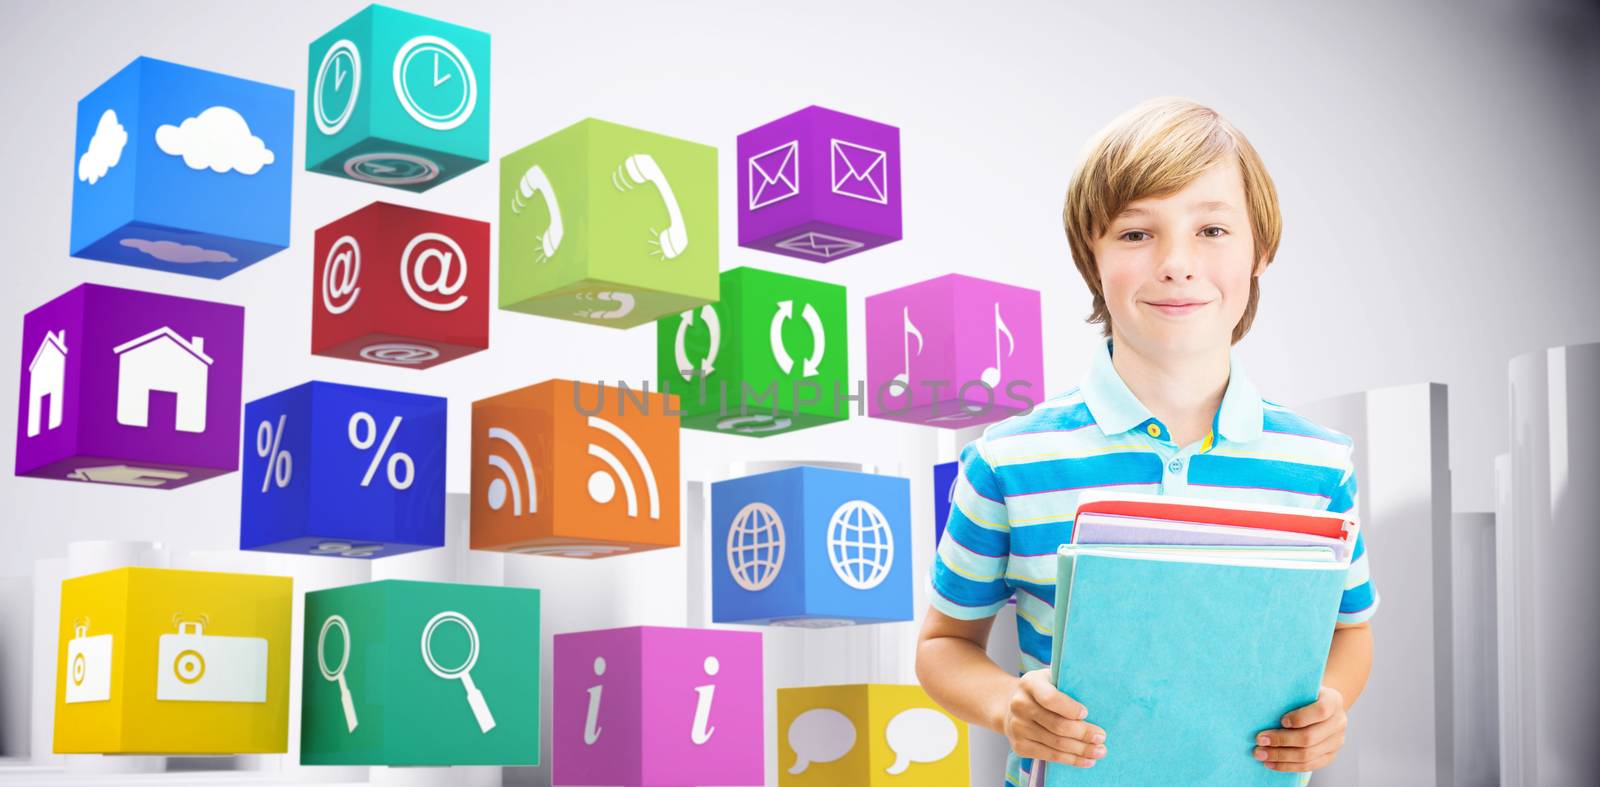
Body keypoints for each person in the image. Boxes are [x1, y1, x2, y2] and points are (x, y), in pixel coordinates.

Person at [914, 97, 1379, 786]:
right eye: (1136, 234)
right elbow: (944, 644)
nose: (1176, 263)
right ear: (1089, 256)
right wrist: (1007, 703)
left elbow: (1350, 630)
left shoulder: (1320, 465)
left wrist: (1331, 701)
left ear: (1261, 250)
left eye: (1213, 229)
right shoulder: (1008, 459)